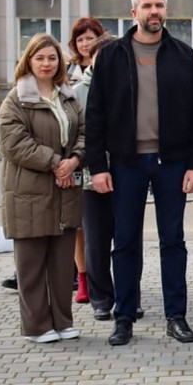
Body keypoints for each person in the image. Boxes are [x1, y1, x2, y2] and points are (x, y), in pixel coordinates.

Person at [86, 0, 193, 346]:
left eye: (159, 6)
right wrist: (98, 167)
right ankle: (124, 316)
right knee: (124, 241)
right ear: (133, 13)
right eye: (147, 6)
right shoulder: (111, 56)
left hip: (173, 162)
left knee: (173, 240)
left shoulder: (183, 54)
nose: (154, 12)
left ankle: (176, 316)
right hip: (126, 164)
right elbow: (95, 116)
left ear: (165, 11)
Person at [0, 33, 85, 343]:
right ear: (29, 61)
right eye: (40, 58)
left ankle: (62, 321)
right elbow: (15, 144)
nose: (47, 64)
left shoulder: (68, 95)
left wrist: (74, 160)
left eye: (52, 58)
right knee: (32, 265)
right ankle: (36, 326)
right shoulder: (16, 99)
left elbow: (84, 132)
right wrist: (55, 163)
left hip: (65, 190)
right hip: (28, 193)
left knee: (61, 265)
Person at [72, 32, 117, 321]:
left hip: (127, 174)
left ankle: (129, 296)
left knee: (127, 241)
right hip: (91, 177)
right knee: (96, 240)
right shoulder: (77, 92)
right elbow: (75, 135)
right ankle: (101, 298)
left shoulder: (130, 87)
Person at [66, 17, 106, 305]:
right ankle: (84, 279)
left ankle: (102, 280)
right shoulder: (69, 74)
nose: (85, 43)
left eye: (89, 38)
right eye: (80, 39)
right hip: (82, 165)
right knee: (82, 227)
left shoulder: (115, 67)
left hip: (111, 167)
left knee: (102, 230)